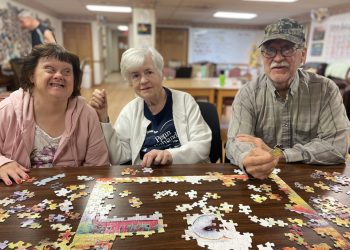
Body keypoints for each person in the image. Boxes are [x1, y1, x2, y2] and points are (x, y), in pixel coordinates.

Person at [225, 18, 350, 180]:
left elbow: (336, 147)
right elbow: (236, 142)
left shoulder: (325, 90)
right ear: (263, 55)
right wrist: (249, 158)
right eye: (269, 50)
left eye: (287, 49)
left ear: (303, 55)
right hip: (264, 182)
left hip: (311, 182)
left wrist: (278, 154)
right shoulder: (248, 93)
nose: (277, 58)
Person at [0, 44, 109, 186]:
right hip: (18, 196)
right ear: (31, 75)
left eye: (67, 71)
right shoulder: (7, 110)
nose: (59, 76)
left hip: (73, 195)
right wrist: (2, 164)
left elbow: (99, 167)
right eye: (50, 69)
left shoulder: (87, 115)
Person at [90, 47, 211, 167]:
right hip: (145, 179)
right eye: (136, 76)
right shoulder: (130, 111)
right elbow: (119, 158)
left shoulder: (185, 101)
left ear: (161, 73)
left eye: (149, 72)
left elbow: (202, 146)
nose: (143, 80)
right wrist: (103, 118)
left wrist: (169, 155)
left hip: (186, 175)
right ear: (130, 81)